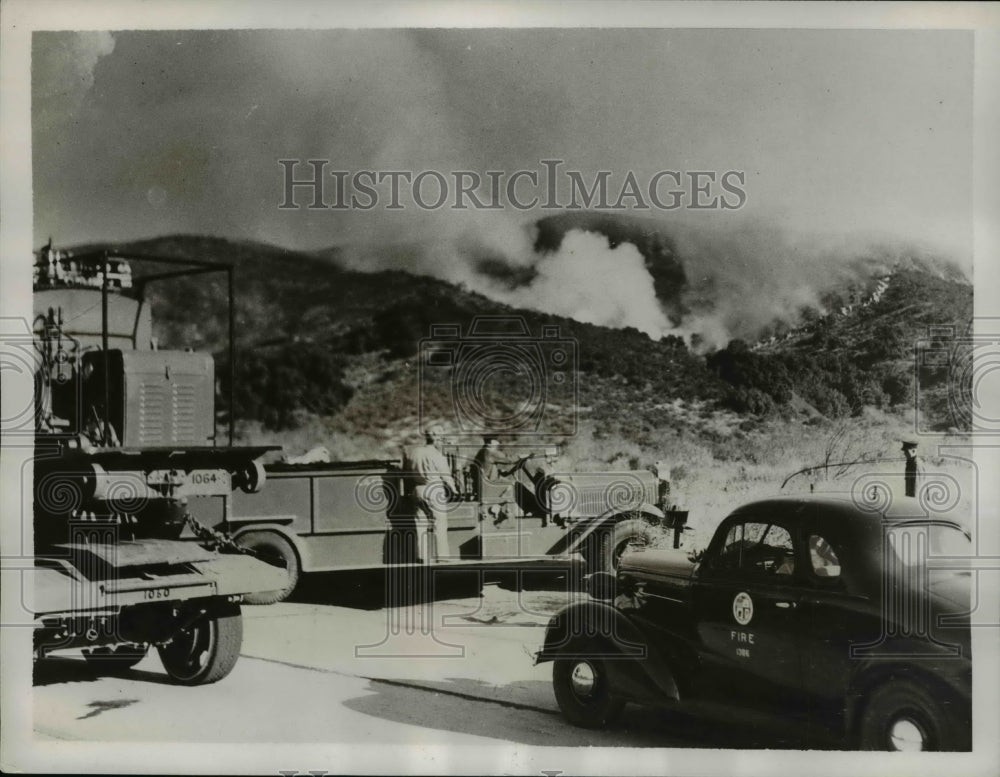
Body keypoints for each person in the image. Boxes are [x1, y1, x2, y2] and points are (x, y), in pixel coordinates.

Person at [402, 425, 457, 564]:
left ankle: (422, 556)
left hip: (418, 489)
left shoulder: (414, 452)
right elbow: (446, 475)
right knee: (440, 524)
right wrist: (454, 489)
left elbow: (407, 472)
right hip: (434, 488)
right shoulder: (436, 454)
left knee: (420, 524)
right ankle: (442, 556)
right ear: (435, 437)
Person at [471, 434, 516, 502]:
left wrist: (499, 471)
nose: (498, 443)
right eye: (496, 441)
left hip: (483, 482)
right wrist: (521, 457)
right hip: (490, 482)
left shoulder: (481, 451)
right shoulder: (490, 452)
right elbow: (509, 459)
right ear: (491, 442)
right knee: (513, 484)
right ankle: (499, 505)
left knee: (506, 480)